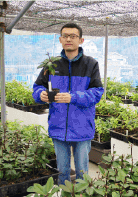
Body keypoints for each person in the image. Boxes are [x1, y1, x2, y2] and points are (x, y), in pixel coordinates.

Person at [32, 23, 103, 186]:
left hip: (82, 126)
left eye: (73, 36)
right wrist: (40, 94)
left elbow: (97, 93)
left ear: (81, 40)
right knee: (61, 170)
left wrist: (73, 97)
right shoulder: (51, 64)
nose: (69, 39)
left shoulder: (91, 64)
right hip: (58, 126)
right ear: (60, 39)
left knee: (82, 171)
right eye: (65, 36)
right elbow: (37, 87)